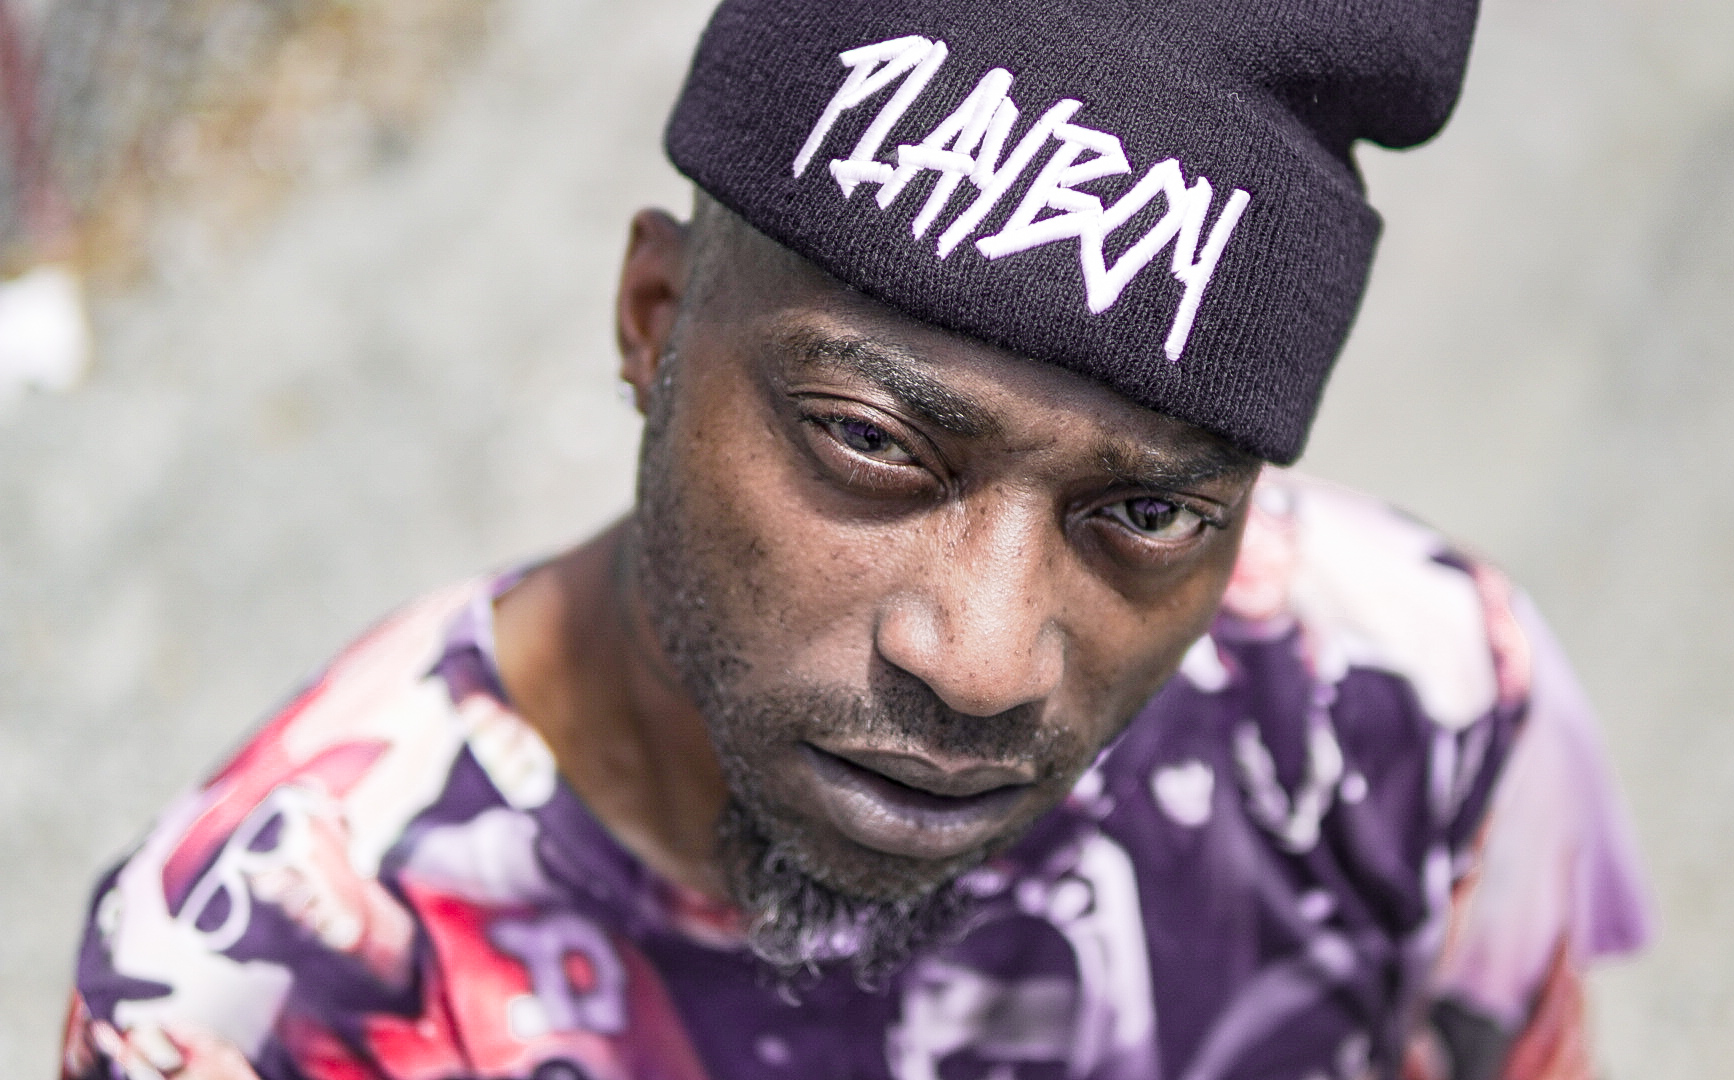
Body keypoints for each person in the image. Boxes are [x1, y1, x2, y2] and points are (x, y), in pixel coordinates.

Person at [60, 2, 1651, 1078]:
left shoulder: (1416, 701)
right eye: (873, 442)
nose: (983, 660)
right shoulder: (266, 988)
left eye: (1150, 513)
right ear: (653, 321)